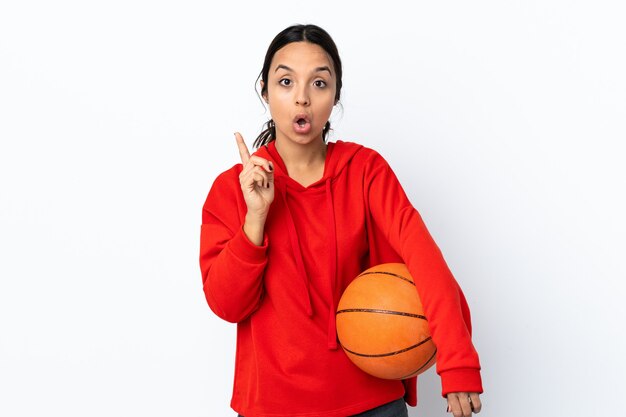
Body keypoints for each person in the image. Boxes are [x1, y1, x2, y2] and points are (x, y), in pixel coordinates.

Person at [199, 23, 483, 417]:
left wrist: (459, 362)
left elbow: (425, 260)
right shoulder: (232, 188)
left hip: (372, 403)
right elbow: (226, 304)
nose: (302, 99)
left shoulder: (364, 170)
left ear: (335, 95)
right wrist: (256, 217)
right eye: (285, 81)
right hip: (272, 406)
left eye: (319, 83)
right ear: (264, 90)